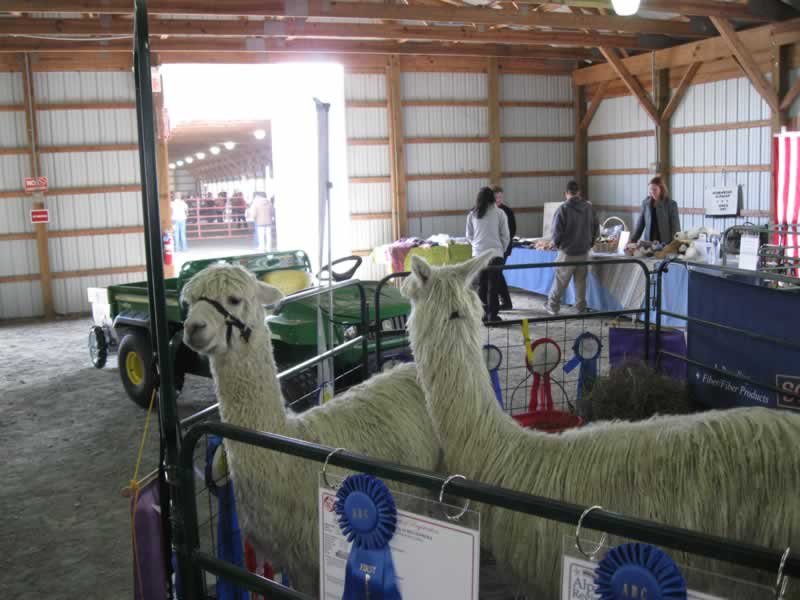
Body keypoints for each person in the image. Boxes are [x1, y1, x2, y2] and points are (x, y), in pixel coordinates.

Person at [545, 181, 598, 315]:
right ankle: (580, 308)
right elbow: (596, 228)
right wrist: (590, 243)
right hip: (584, 251)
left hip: (567, 252)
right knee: (580, 282)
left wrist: (556, 244)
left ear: (566, 193)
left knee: (560, 281)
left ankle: (553, 306)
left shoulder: (563, 209)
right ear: (579, 192)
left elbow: (557, 232)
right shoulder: (589, 208)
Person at [466, 186, 510, 323]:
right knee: (493, 286)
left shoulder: (472, 214)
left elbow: (469, 235)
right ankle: (493, 316)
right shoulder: (500, 213)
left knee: (482, 285)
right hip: (495, 253)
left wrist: (476, 246)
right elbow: (505, 235)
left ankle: (482, 316)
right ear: (492, 198)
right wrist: (501, 250)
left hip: (479, 255)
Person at [631, 176, 681, 244]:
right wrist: (633, 240)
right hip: (649, 242)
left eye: (655, 189)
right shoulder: (645, 203)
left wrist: (674, 244)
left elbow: (675, 227)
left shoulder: (671, 204)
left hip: (665, 243)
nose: (652, 192)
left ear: (661, 189)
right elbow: (640, 224)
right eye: (650, 189)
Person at [493, 185, 516, 311]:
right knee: (497, 273)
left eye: (500, 197)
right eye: (496, 197)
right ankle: (504, 301)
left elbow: (512, 231)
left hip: (504, 248)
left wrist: (502, 245)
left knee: (497, 273)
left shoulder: (507, 211)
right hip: (493, 247)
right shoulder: (488, 211)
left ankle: (504, 301)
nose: (498, 200)